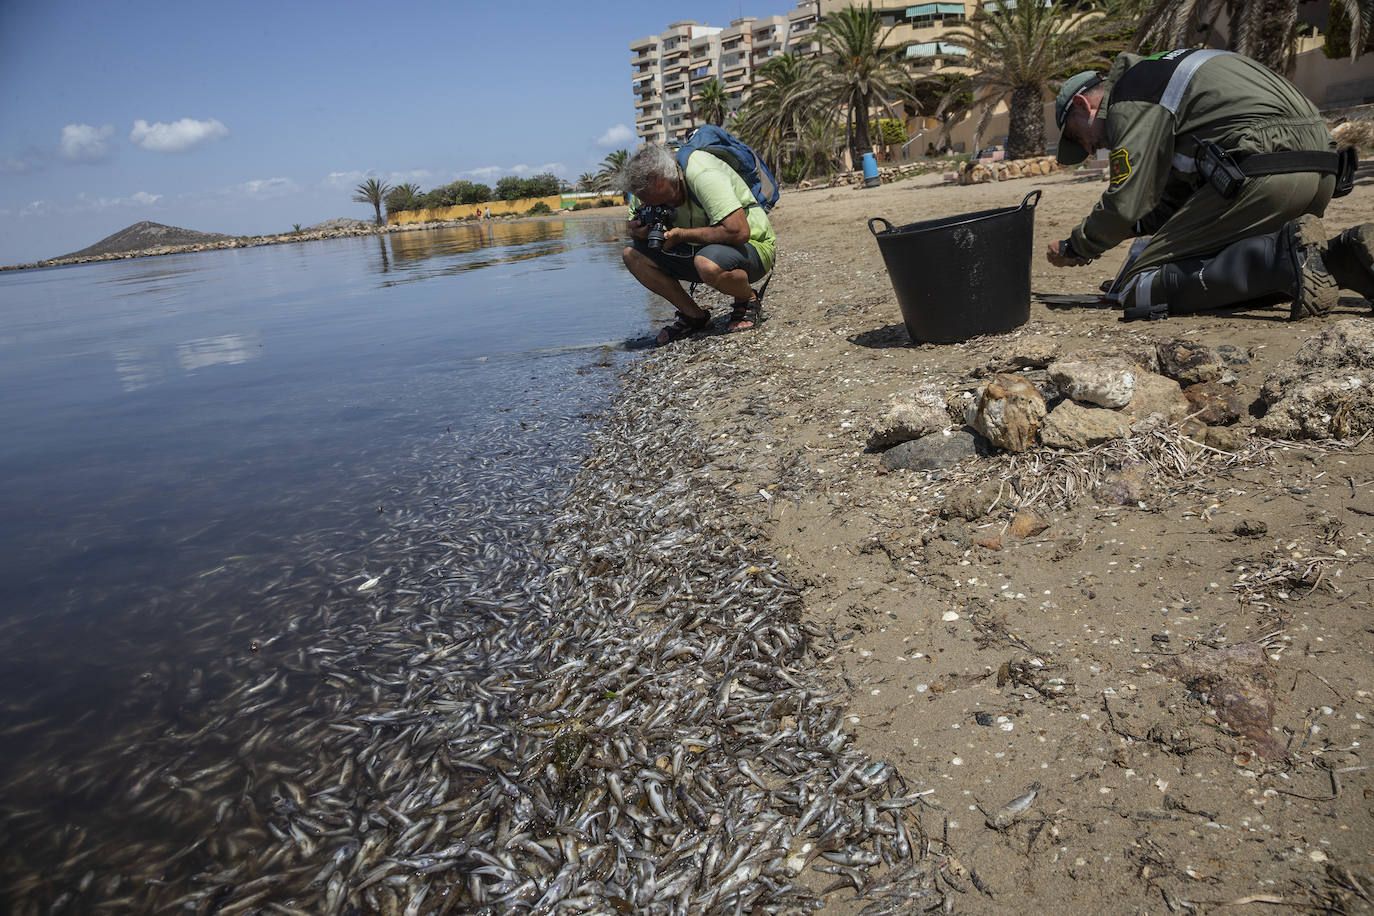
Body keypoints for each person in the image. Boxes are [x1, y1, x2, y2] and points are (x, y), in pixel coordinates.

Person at [1047, 49, 1368, 321]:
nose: (1090, 150)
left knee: (1139, 288)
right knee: (1218, 255)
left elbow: (1125, 201)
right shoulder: (1165, 76)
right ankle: (1342, 261)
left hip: (1262, 176)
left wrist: (1076, 246)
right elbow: (1176, 201)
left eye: (1077, 136)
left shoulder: (1129, 96)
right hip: (1322, 171)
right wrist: (1136, 226)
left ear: (1083, 104)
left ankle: (1279, 261)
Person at [619, 143, 776, 344]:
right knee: (631, 255)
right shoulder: (644, 191)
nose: (663, 208)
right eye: (653, 204)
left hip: (754, 248)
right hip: (699, 251)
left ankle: (747, 299)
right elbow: (635, 226)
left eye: (667, 202)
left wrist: (682, 235)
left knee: (706, 263)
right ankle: (694, 316)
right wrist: (636, 231)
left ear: (672, 177)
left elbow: (739, 232)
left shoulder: (702, 173)